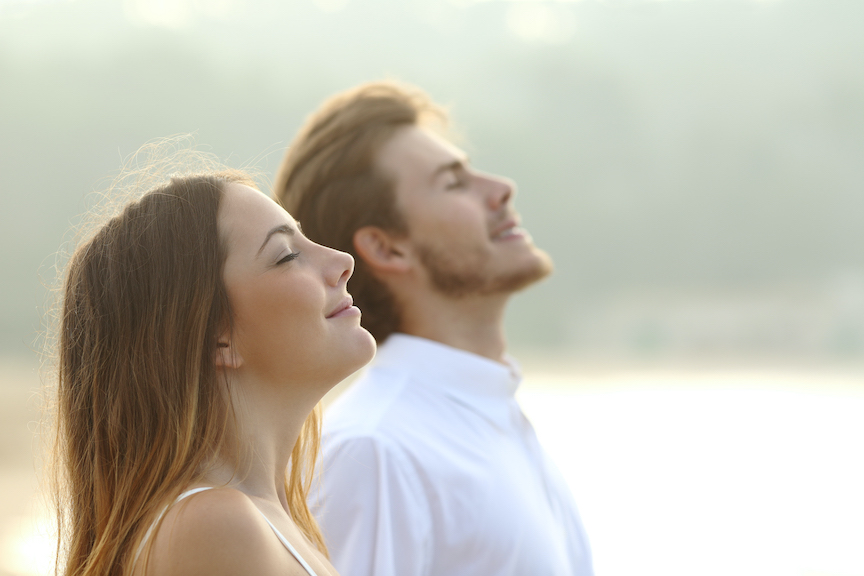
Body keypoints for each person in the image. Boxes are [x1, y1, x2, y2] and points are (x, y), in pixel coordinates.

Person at [274, 81, 594, 576]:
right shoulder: (377, 450)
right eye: (454, 183)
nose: (502, 188)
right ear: (387, 248)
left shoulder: (488, 416)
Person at [50, 161, 376, 576]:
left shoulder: (273, 520)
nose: (343, 260)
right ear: (216, 337)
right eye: (288, 255)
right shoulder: (213, 526)